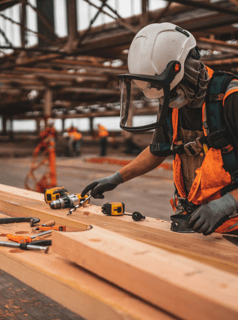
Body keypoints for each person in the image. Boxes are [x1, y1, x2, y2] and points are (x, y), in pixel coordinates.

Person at [81, 22, 238, 236]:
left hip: (232, 225)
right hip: (196, 223)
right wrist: (116, 178)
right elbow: (158, 151)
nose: (167, 99)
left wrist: (227, 203)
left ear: (187, 69)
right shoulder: (173, 103)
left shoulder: (230, 100)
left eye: (171, 92)